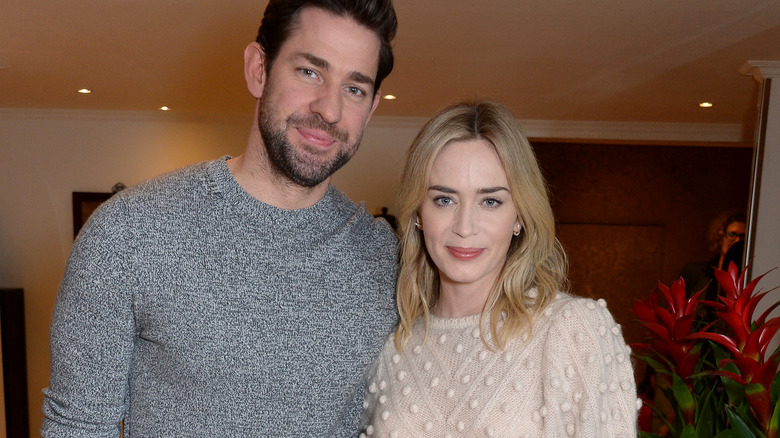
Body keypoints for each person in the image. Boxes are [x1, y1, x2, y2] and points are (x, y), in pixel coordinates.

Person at [41, 1, 398, 436]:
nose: (330, 110)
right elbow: (77, 425)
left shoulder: (386, 257)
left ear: (373, 105)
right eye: (310, 72)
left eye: (354, 88)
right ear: (258, 69)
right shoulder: (130, 233)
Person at [360, 101, 638, 437]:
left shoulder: (571, 330)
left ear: (519, 215)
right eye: (444, 200)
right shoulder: (392, 345)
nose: (465, 226)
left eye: (490, 201)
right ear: (419, 213)